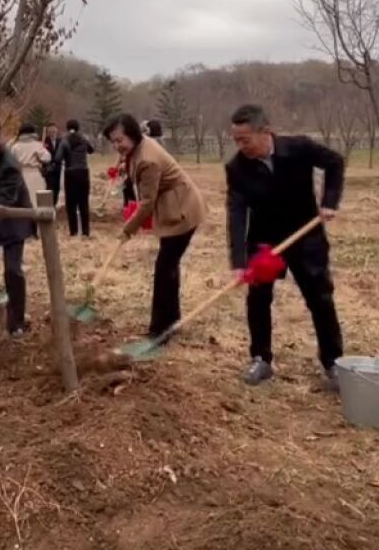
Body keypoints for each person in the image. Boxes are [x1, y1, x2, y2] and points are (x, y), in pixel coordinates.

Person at [225, 105, 345, 387]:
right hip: (265, 241)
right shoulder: (236, 167)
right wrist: (239, 262)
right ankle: (261, 359)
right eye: (236, 141)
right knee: (258, 299)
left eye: (246, 139)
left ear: (265, 132)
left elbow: (335, 162)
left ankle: (333, 362)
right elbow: (237, 212)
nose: (241, 146)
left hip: (306, 236)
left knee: (320, 299)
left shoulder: (299, 148)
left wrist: (329, 201)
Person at [104, 113, 207, 341]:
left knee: (164, 269)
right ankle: (170, 320)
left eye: (119, 140)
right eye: (113, 141)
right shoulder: (136, 149)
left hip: (182, 211)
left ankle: (160, 330)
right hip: (172, 207)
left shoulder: (147, 159)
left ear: (132, 134)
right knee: (168, 267)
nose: (116, 145)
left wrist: (128, 229)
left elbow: (147, 202)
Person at [0, 121, 33, 336]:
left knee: (12, 270)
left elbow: (4, 203)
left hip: (12, 221)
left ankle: (16, 322)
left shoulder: (8, 164)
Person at [55, 119, 95, 237]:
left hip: (70, 172)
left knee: (71, 204)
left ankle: (73, 231)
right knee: (83, 203)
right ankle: (85, 232)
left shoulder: (65, 141)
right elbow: (91, 150)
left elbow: (58, 158)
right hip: (83, 172)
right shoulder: (83, 139)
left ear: (67, 128)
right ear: (78, 127)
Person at [10, 123, 52, 195]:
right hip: (34, 174)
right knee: (35, 197)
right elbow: (47, 158)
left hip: (19, 175)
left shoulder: (15, 146)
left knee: (22, 198)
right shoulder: (37, 145)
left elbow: (11, 161)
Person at [43, 122, 64, 207]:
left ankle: (54, 204)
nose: (53, 133)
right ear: (47, 132)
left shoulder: (61, 141)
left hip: (58, 168)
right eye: (51, 131)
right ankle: (48, 205)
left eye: (54, 131)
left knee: (57, 188)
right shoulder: (44, 141)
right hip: (48, 168)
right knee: (49, 187)